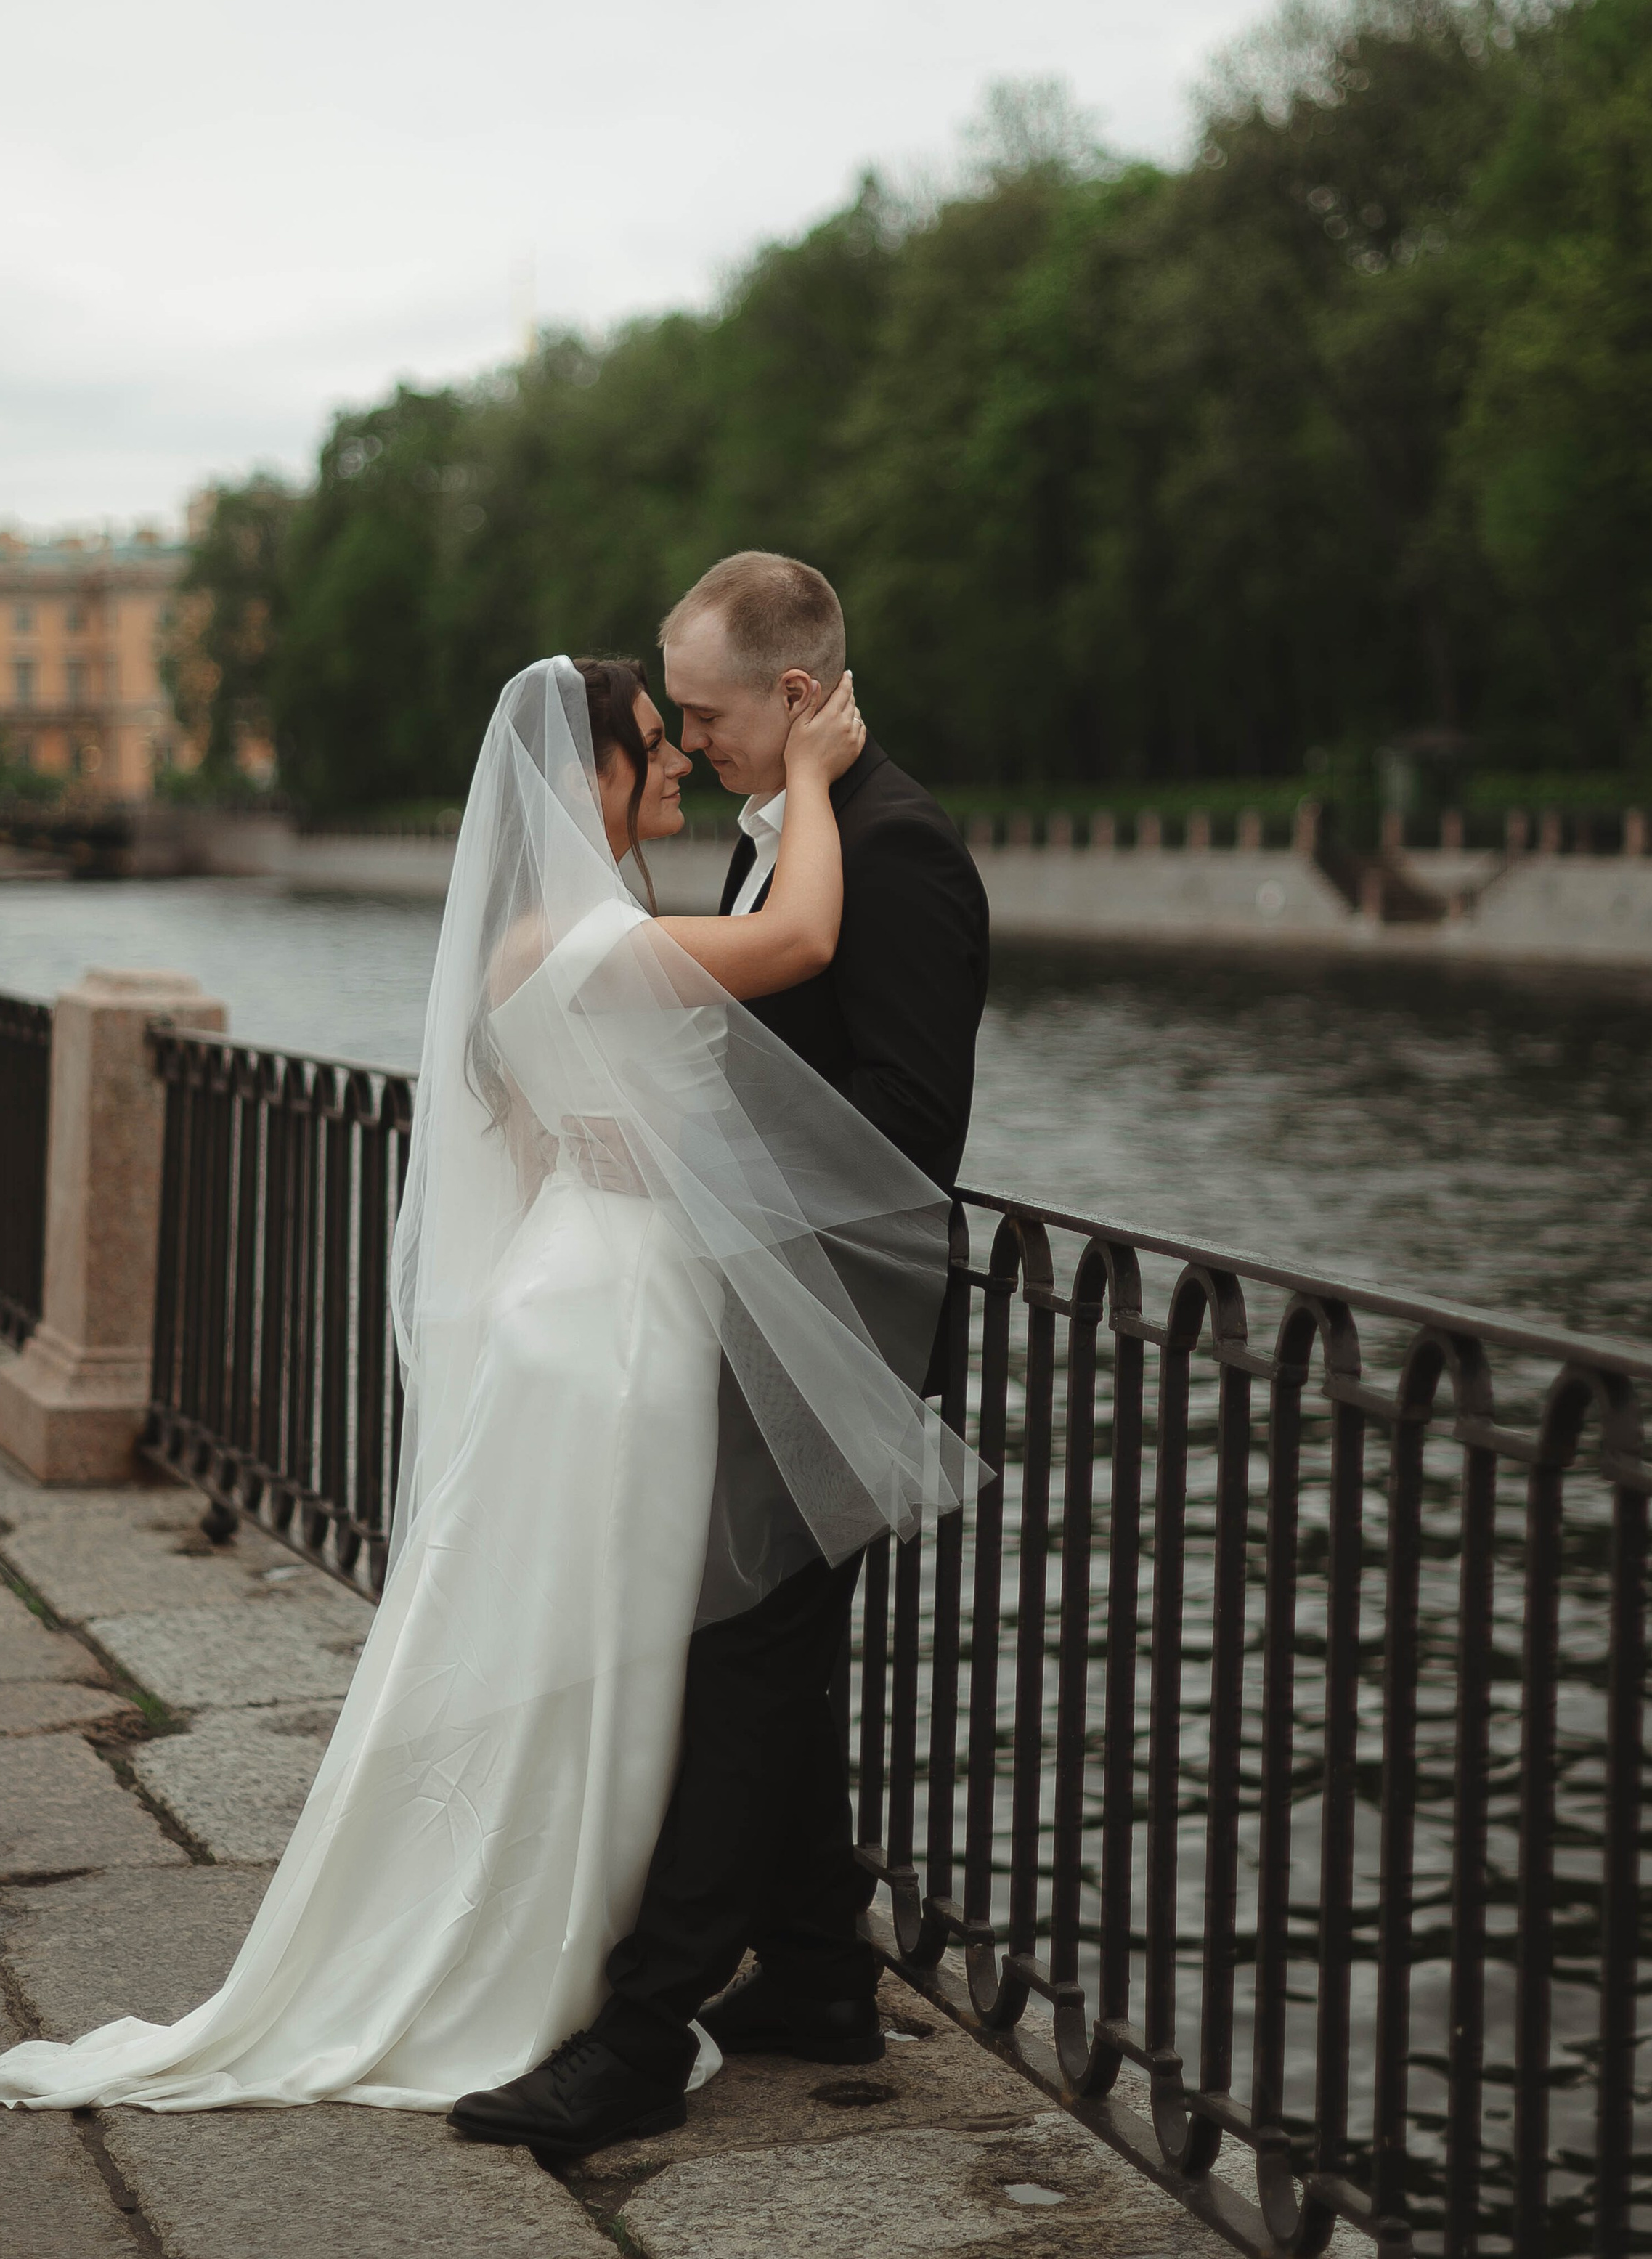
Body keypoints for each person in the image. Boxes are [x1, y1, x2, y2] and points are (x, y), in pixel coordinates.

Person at [0, 648, 972, 2145]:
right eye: (659, 741)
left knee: (636, 1643)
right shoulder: (584, 937)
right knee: (626, 1647)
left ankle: (787, 1954)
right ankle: (569, 1972)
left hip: (583, 1295)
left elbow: (532, 1137)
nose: (682, 761)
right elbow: (809, 931)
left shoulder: (552, 934)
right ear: (593, 778)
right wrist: (818, 777)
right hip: (617, 1325)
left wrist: (612, 1158)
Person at [452, 555, 989, 2153]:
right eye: (666, 720)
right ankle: (818, 1970)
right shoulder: (789, 843)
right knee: (766, 1659)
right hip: (744, 1307)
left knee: (741, 1658)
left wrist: (678, 1168)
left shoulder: (896, 854)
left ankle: (636, 2032)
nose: (690, 740)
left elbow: (903, 1136)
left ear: (798, 695)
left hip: (832, 1315)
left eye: (706, 712)